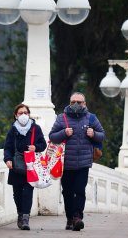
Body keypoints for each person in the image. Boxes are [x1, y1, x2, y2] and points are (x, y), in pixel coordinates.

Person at [49, 92, 105, 231]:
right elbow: (52, 136)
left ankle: (77, 217)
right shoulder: (62, 118)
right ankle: (69, 218)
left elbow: (102, 135)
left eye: (79, 102)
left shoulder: (91, 118)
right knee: (67, 192)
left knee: (79, 191)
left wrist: (94, 134)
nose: (75, 104)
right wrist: (63, 133)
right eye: (73, 101)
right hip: (66, 164)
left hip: (83, 163)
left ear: (84, 104)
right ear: (69, 102)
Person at [3, 103, 47, 230]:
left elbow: (43, 144)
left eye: (25, 113)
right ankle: (20, 215)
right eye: (20, 113)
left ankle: (25, 219)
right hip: (16, 166)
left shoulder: (35, 128)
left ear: (29, 114)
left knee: (28, 192)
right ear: (16, 116)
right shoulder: (13, 129)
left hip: (30, 166)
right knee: (17, 194)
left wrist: (35, 147)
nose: (23, 115)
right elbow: (8, 147)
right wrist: (7, 160)